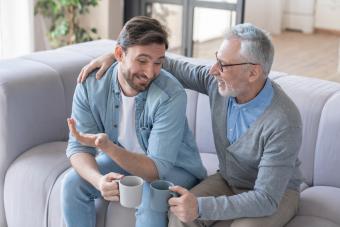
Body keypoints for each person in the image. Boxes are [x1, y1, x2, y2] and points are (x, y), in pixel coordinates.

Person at [78, 23, 303, 227]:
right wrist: (118, 56)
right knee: (179, 213)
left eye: (223, 64)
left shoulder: (283, 120)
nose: (213, 70)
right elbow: (167, 63)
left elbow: (265, 198)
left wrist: (201, 207)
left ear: (253, 72)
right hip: (228, 179)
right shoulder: (218, 83)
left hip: (277, 193)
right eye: (216, 59)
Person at [62, 16, 207, 227]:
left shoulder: (171, 94)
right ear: (119, 54)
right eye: (142, 60)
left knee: (150, 194)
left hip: (175, 167)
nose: (150, 72)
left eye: (158, 63)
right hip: (124, 160)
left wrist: (108, 148)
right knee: (72, 183)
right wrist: (98, 180)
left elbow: (157, 169)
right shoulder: (91, 84)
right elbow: (77, 149)